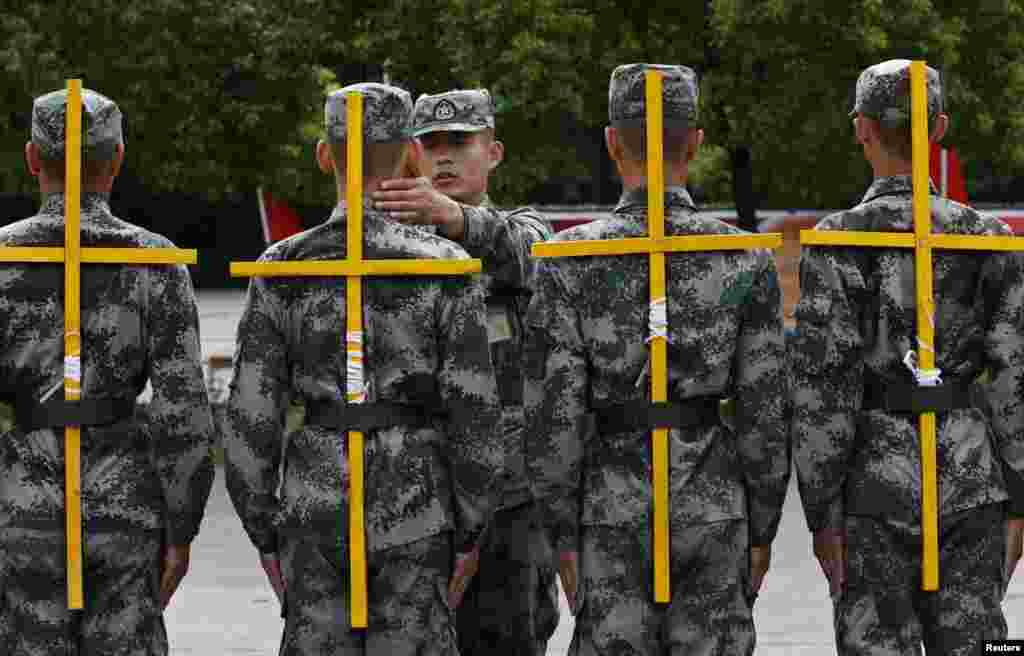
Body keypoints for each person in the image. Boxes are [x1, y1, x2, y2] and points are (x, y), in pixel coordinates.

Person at [222, 82, 504, 655]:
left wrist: (265, 531)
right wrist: (469, 531)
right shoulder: (445, 264)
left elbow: (251, 414)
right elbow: (474, 412)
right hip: (418, 506)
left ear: (326, 155)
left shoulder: (284, 265)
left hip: (314, 501)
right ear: (407, 153)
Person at [522, 63, 789, 654]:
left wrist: (562, 533)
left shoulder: (568, 260)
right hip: (712, 501)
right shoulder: (743, 257)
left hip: (609, 503)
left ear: (612, 142)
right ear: (695, 142)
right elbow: (765, 411)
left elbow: (553, 416)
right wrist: (762, 525)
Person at [792, 59, 1024, 654]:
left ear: (861, 128)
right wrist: (1019, 496)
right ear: (939, 127)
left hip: (873, 488)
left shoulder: (836, 241)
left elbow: (824, 389)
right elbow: (1012, 377)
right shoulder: (991, 240)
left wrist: (822, 511)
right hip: (973, 481)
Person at [0, 88, 216, 654]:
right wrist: (182, 524)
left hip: (21, 501)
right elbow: (183, 410)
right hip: (125, 505)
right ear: (117, 158)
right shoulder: (155, 261)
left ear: (31, 157)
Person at [371, 87, 556, 656]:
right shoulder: (388, 243)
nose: (445, 157)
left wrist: (453, 220)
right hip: (409, 489)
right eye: (431, 145)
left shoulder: (522, 228)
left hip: (508, 495)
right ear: (412, 156)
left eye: (461, 142)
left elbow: (532, 259)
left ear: (494, 153)